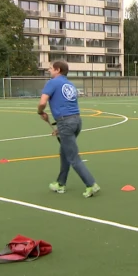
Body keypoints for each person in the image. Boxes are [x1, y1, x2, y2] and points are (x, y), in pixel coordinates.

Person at [38, 60, 100, 197]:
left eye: (50, 68)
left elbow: (42, 102)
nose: (48, 70)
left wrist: (40, 112)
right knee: (64, 152)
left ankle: (91, 184)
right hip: (76, 121)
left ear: (58, 70)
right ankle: (61, 183)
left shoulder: (52, 83)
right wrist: (60, 129)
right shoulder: (69, 84)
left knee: (73, 157)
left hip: (66, 122)